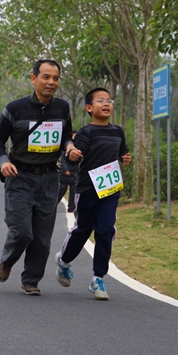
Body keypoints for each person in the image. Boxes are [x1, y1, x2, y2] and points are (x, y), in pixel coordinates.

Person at [0, 59, 76, 296]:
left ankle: (31, 280)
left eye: (56, 78)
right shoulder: (15, 108)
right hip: (20, 177)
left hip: (49, 179)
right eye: (46, 77)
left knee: (41, 237)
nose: (51, 82)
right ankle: (6, 262)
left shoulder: (62, 108)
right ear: (33, 79)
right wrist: (3, 161)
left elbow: (66, 136)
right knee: (21, 232)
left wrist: (69, 147)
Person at [55, 87, 131, 300]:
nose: (106, 104)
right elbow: (73, 157)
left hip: (110, 190)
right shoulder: (86, 132)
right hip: (88, 189)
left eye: (109, 101)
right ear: (89, 108)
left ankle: (98, 278)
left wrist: (126, 157)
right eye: (100, 100)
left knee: (106, 231)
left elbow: (122, 151)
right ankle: (63, 261)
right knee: (82, 230)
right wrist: (73, 155)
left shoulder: (117, 131)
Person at [57, 131, 78, 213]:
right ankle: (53, 204)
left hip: (74, 173)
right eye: (74, 136)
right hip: (65, 173)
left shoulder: (77, 147)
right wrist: (66, 170)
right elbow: (63, 160)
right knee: (62, 190)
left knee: (73, 191)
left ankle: (71, 208)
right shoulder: (67, 146)